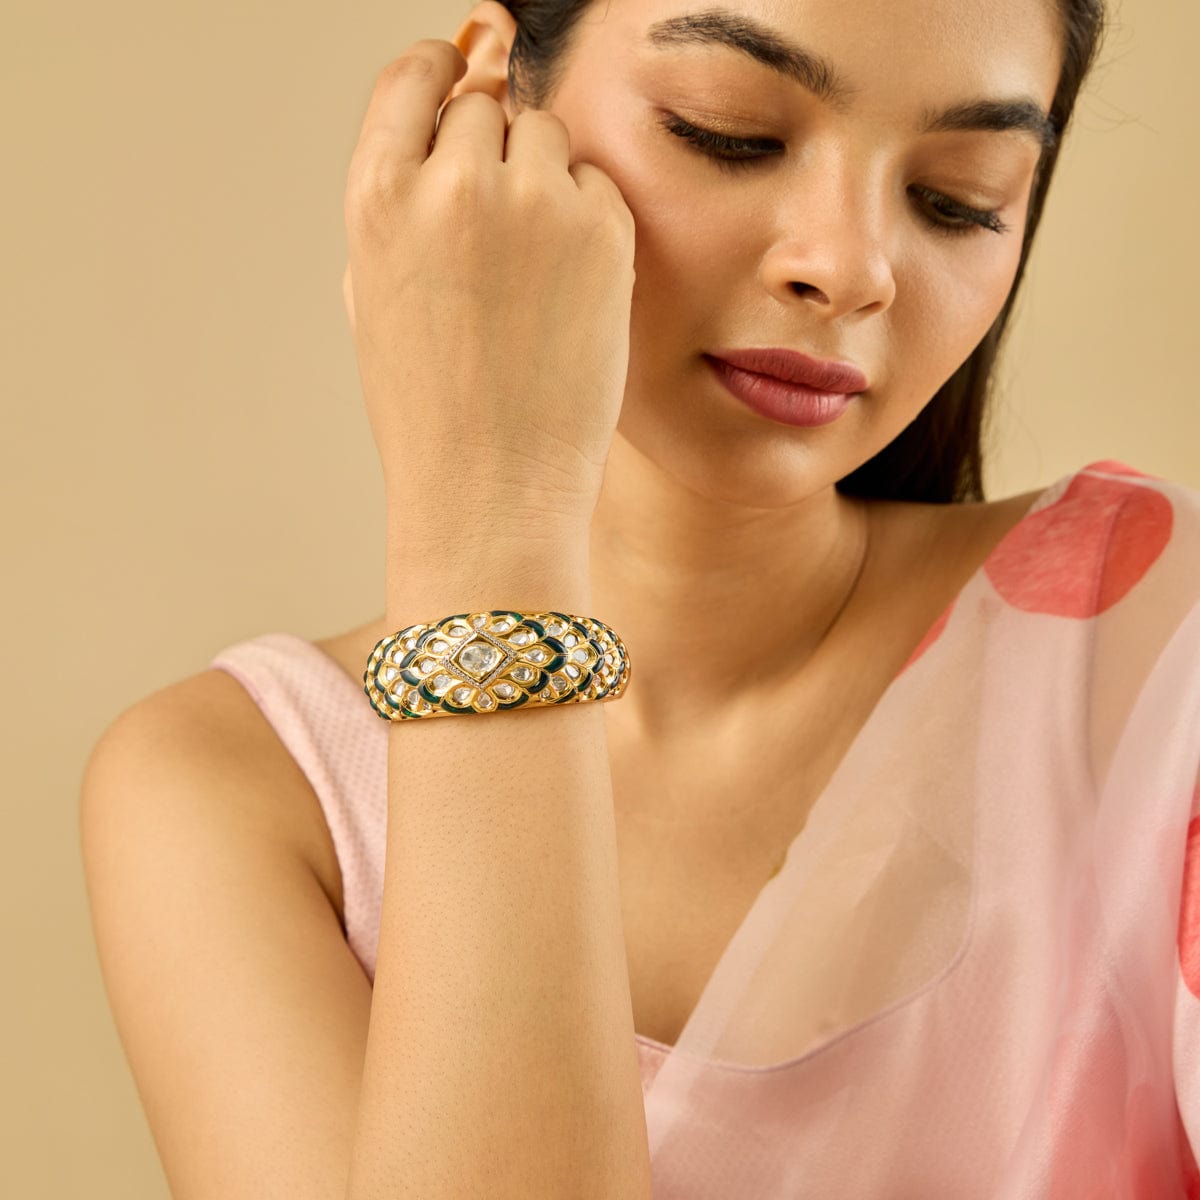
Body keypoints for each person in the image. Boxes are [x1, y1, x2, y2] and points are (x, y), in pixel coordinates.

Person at [78, 0, 1200, 1195]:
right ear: (489, 101)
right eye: (729, 133)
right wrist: (490, 526)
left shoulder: (1158, 663)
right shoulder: (246, 791)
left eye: (957, 198)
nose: (848, 267)